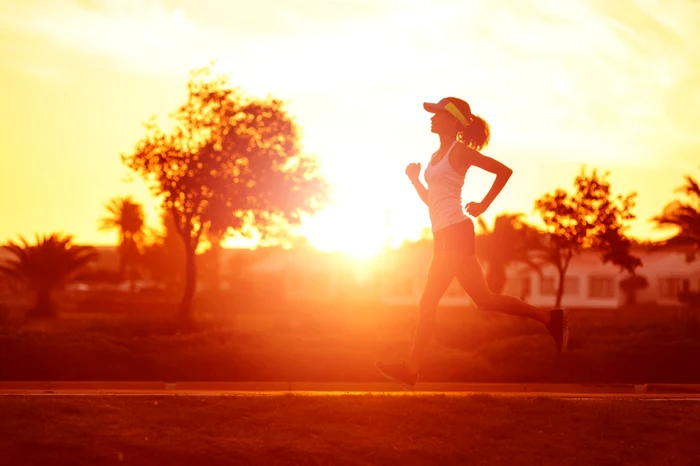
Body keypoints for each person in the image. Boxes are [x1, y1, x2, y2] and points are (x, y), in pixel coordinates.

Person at [374, 97, 568, 390]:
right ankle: (550, 319)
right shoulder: (436, 156)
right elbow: (432, 201)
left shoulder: (459, 152)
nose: (432, 118)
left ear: (452, 120)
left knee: (427, 301)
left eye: (437, 113)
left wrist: (484, 204)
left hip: (456, 232)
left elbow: (504, 171)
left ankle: (411, 368)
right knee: (486, 300)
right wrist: (415, 180)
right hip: (446, 235)